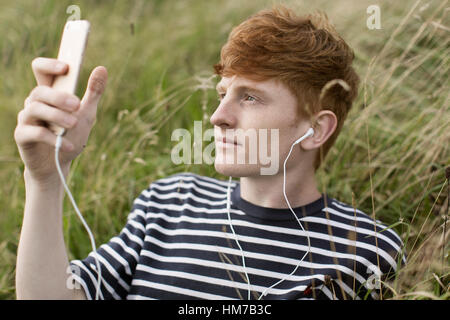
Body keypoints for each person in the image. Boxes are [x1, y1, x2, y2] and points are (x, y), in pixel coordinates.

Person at [14, 6, 405, 300]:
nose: (218, 117)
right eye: (222, 95)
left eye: (249, 97)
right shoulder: (168, 202)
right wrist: (46, 178)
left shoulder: (368, 250)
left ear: (315, 129)